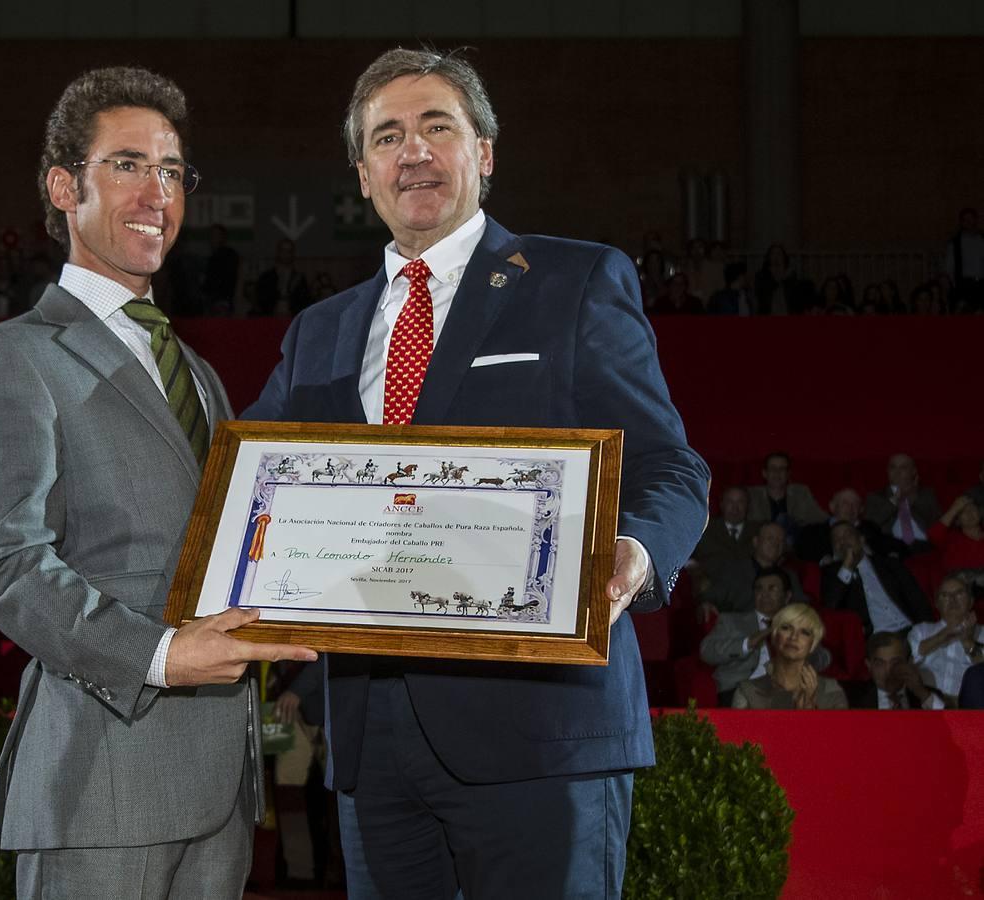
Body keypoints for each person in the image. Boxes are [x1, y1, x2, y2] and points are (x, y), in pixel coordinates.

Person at [243, 48, 709, 898]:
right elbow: (253, 491)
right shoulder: (320, 330)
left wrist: (634, 551)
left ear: (483, 152)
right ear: (362, 173)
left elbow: (669, 465)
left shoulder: (573, 280)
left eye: (436, 127)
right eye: (388, 136)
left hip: (541, 726)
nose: (412, 151)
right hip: (371, 735)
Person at [0, 66, 316, 899]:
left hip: (222, 785)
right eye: (125, 164)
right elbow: (7, 565)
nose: (156, 192)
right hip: (101, 780)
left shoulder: (196, 371)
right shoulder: (13, 355)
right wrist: (157, 654)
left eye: (171, 170)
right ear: (62, 185)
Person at [700, 568, 829, 708]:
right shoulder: (732, 620)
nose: (764, 594)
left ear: (787, 596)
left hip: (789, 692)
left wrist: (801, 651)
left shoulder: (797, 627)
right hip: (739, 690)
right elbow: (706, 651)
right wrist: (747, 643)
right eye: (759, 589)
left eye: (772, 589)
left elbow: (824, 659)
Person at [821, 521, 931, 637]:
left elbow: (917, 599)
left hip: (910, 630)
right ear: (834, 549)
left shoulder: (889, 564)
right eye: (836, 539)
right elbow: (830, 607)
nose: (842, 541)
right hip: (877, 637)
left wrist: (927, 629)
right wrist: (847, 567)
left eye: (847, 534)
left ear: (861, 539)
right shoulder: (832, 575)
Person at [732, 602, 847, 709]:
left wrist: (809, 708)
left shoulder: (831, 691)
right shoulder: (747, 691)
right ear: (774, 637)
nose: (794, 637)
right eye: (786, 628)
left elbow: (841, 731)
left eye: (804, 632)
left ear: (813, 645)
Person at [906, 576, 984, 704]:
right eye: (945, 595)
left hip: (968, 706)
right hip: (926, 704)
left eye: (959, 593)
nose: (952, 600)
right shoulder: (921, 630)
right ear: (937, 604)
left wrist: (968, 642)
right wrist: (945, 633)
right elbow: (909, 658)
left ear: (971, 601)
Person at [864, 453, 941, 554]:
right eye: (893, 467)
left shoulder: (926, 494)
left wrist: (913, 496)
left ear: (913, 472)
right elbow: (869, 526)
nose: (897, 472)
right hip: (893, 549)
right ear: (887, 471)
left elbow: (937, 523)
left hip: (925, 546)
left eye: (903, 467)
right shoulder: (875, 497)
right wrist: (894, 500)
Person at [848, 631, 946, 709]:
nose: (889, 671)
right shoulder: (853, 700)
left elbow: (954, 728)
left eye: (896, 663)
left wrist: (922, 694)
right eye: (880, 664)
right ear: (869, 665)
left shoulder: (926, 695)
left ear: (908, 662)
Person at [745, 451, 825, 532]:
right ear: (764, 473)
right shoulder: (752, 495)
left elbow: (821, 519)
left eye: (782, 468)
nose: (777, 473)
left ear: (788, 474)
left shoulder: (801, 492)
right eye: (773, 468)